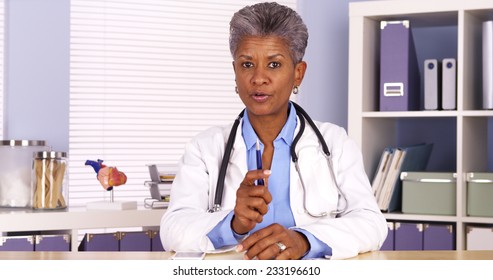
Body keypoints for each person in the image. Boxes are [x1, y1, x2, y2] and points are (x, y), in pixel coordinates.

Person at [160, 2, 387, 260]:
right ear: (235, 72)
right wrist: (233, 224)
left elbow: (372, 223)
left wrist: (304, 240)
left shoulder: (335, 143)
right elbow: (172, 229)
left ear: (298, 73)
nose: (258, 78)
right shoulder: (205, 148)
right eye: (247, 65)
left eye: (274, 65)